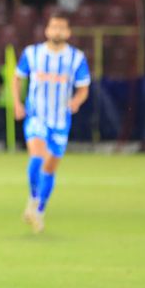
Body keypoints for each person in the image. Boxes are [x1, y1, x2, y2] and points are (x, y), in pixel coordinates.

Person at [14, 13, 90, 234]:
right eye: (53, 26)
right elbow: (18, 77)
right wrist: (18, 104)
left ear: (68, 32)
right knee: (37, 156)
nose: (57, 31)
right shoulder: (33, 53)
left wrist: (76, 101)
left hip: (60, 121)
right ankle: (33, 198)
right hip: (36, 115)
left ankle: (39, 209)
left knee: (50, 167)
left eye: (61, 27)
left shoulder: (76, 58)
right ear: (47, 30)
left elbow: (84, 87)